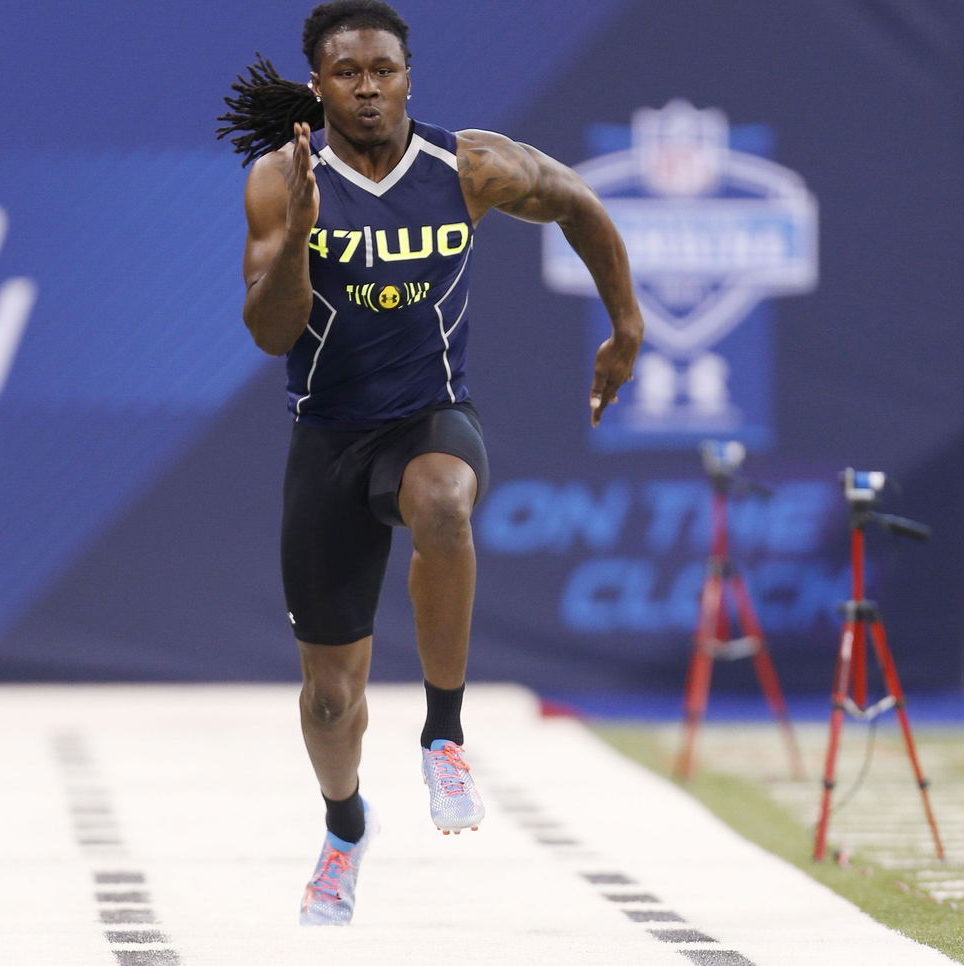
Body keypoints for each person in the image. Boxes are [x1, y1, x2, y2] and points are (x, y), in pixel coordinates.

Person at [217, 0, 643, 926]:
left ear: (410, 75)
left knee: (446, 503)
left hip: (428, 417)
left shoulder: (469, 166)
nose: (368, 87)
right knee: (331, 702)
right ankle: (343, 830)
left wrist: (626, 325)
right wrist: (298, 232)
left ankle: (445, 736)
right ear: (316, 84)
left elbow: (579, 202)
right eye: (346, 72)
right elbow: (270, 333)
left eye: (384, 69)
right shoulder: (281, 179)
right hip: (327, 436)